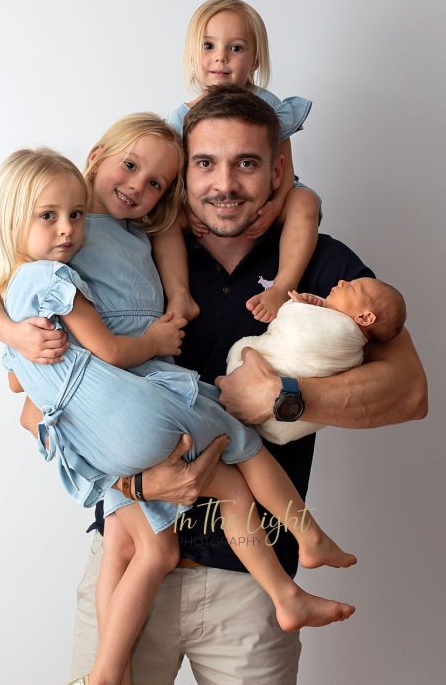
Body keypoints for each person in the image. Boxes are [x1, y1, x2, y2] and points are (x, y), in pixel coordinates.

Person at [56, 86, 424, 684]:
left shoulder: (323, 269)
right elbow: (51, 388)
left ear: (278, 169)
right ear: (182, 170)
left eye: (246, 163)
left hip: (254, 589)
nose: (223, 184)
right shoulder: (129, 247)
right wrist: (133, 478)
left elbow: (411, 392)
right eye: (205, 163)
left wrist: (284, 396)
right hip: (126, 559)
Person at [0, 137, 354, 685]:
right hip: (126, 415)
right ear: (97, 156)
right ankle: (304, 541)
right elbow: (32, 391)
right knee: (236, 433)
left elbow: (409, 389)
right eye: (206, 162)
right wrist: (151, 344)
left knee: (138, 548)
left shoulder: (126, 240)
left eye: (156, 183)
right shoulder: (58, 266)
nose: (67, 229)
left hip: (214, 574)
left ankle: (110, 669)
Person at [153, 0, 322, 324]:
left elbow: (283, 169)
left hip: (268, 198)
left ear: (256, 59)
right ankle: (179, 293)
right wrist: (187, 208)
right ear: (193, 54)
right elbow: (178, 175)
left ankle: (283, 286)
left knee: (306, 200)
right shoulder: (182, 116)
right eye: (208, 45)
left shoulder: (269, 107)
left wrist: (276, 205)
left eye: (236, 48)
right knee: (164, 216)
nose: (220, 56)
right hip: (202, 207)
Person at [226, 278, 407, 445]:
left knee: (243, 349)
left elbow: (300, 329)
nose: (342, 281)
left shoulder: (342, 335)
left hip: (275, 405)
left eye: (352, 287)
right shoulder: (353, 348)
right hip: (278, 427)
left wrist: (298, 309)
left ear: (365, 318)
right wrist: (312, 306)